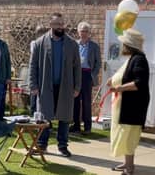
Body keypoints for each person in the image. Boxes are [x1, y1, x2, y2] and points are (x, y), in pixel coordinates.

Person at [29, 13, 81, 157]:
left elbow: (77, 67)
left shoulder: (72, 44)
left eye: (62, 23)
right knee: (44, 117)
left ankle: (62, 146)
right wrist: (33, 85)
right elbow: (33, 65)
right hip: (46, 86)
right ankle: (42, 145)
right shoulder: (40, 42)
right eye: (57, 24)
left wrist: (77, 87)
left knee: (64, 117)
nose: (60, 26)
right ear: (51, 25)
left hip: (66, 86)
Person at [106, 28, 150, 175]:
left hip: (133, 107)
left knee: (129, 137)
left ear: (129, 45)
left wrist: (119, 88)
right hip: (127, 106)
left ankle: (130, 169)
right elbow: (126, 75)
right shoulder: (133, 58)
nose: (122, 46)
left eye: (124, 44)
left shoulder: (139, 60)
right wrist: (113, 80)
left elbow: (139, 83)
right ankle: (127, 163)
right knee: (125, 136)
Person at [69, 21, 101, 135]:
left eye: (86, 31)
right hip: (76, 75)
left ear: (89, 33)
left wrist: (93, 74)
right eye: (82, 31)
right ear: (78, 32)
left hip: (88, 75)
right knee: (75, 101)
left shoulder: (94, 46)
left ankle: (87, 127)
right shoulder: (74, 44)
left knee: (87, 102)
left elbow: (98, 63)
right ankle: (76, 126)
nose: (84, 33)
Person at [29, 25, 47, 115]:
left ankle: (44, 116)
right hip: (36, 71)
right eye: (39, 33)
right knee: (34, 93)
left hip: (44, 72)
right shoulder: (34, 43)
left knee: (44, 96)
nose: (41, 35)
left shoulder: (47, 43)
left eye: (42, 33)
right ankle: (33, 113)